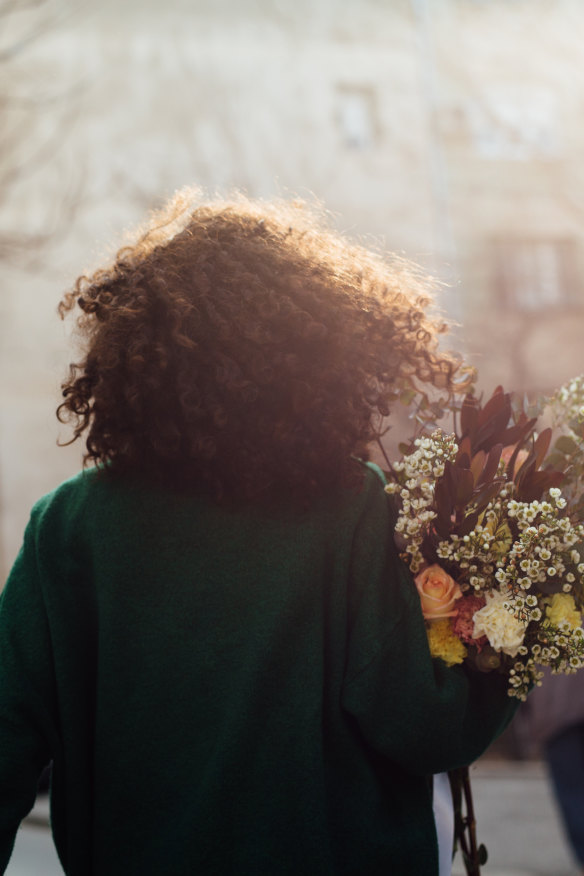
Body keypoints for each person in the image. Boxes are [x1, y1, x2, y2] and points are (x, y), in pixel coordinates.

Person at [0, 190, 518, 875]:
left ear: (132, 360)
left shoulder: (70, 525)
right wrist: (512, 639)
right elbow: (418, 724)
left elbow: (7, 734)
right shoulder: (352, 505)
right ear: (320, 357)